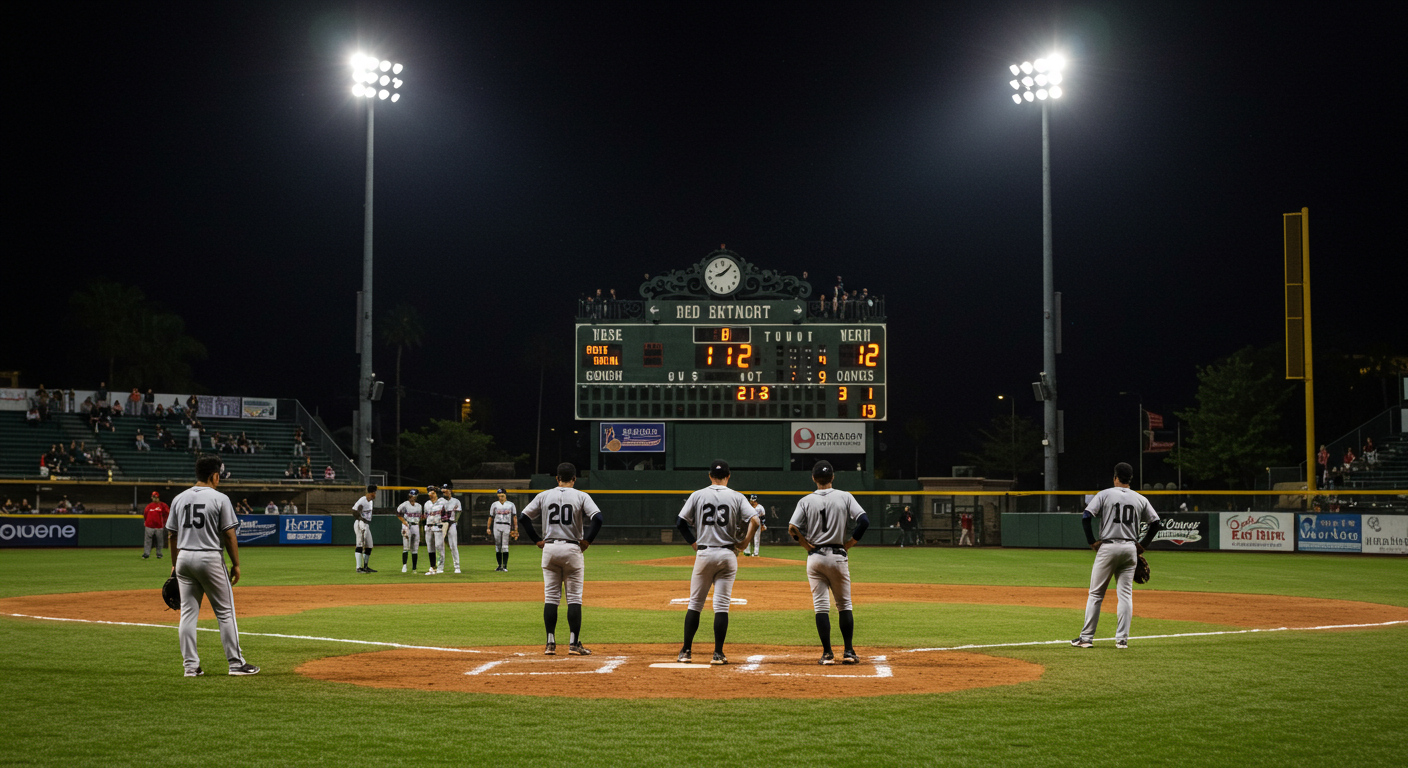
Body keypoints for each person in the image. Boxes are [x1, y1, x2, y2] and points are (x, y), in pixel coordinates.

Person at [164, 454, 259, 677]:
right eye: (219, 476)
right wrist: (236, 564)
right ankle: (236, 664)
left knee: (187, 614)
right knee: (225, 612)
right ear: (213, 476)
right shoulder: (220, 498)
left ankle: (190, 667)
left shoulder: (179, 498)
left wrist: (174, 564)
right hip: (209, 558)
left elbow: (171, 536)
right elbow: (229, 534)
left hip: (184, 558)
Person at [673, 460, 760, 664]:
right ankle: (718, 654)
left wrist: (694, 543)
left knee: (695, 604)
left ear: (710, 475)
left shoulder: (698, 495)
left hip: (705, 553)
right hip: (728, 555)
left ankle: (686, 651)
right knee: (721, 605)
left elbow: (680, 522)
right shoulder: (737, 496)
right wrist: (744, 543)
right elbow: (755, 520)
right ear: (728, 476)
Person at [1071, 462, 1163, 650]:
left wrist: (1091, 541)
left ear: (1115, 477)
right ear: (1130, 479)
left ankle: (1086, 638)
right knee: (1125, 595)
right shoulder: (1140, 499)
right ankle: (1122, 639)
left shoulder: (1105, 494)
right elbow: (1156, 524)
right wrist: (1142, 546)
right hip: (1130, 548)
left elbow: (1086, 516)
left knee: (1096, 594)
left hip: (1108, 546)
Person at [788, 460, 870, 665]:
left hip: (815, 558)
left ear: (814, 478)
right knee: (844, 605)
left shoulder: (806, 501)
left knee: (821, 607)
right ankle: (849, 652)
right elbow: (864, 521)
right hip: (837, 555)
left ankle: (827, 654)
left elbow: (792, 528)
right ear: (832, 477)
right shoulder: (845, 496)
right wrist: (850, 543)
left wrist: (808, 547)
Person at [518, 462, 604, 656]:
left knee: (551, 598)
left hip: (550, 548)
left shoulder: (544, 495)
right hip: (572, 548)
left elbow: (524, 517)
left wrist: (536, 540)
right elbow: (598, 518)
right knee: (574, 598)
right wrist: (587, 541)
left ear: (557, 478)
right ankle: (574, 644)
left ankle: (550, 643)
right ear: (574, 479)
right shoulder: (581, 496)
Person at [488, 488, 519, 571]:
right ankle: (499, 566)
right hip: (496, 525)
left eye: (502, 496)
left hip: (506, 526)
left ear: (505, 495)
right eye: (499, 496)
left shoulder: (511, 504)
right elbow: (490, 517)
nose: (500, 497)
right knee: (498, 546)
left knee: (505, 546)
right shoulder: (494, 504)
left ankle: (504, 566)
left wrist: (516, 529)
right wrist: (488, 528)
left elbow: (514, 517)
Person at [396, 489, 424, 574]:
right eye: (411, 496)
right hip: (407, 525)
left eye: (414, 496)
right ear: (409, 496)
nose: (412, 497)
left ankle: (414, 568)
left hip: (415, 525)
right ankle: (404, 565)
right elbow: (398, 513)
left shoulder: (419, 506)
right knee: (406, 546)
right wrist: (403, 521)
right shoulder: (405, 504)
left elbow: (420, 517)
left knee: (415, 548)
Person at [352, 484, 377, 573]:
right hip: (360, 523)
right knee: (359, 544)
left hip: (366, 524)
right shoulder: (363, 500)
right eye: (375, 493)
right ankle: (358, 568)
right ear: (371, 493)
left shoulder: (370, 501)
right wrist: (360, 521)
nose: (375, 495)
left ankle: (365, 566)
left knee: (369, 546)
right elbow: (354, 511)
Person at [422, 487, 445, 575]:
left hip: (438, 526)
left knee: (439, 547)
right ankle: (432, 567)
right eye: (429, 493)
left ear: (436, 493)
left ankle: (440, 567)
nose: (431, 495)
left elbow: (446, 514)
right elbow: (425, 515)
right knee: (430, 548)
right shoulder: (427, 504)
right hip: (428, 527)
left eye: (432, 493)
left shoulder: (442, 502)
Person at [441, 485, 462, 573]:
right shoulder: (440, 501)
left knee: (453, 545)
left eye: (446, 491)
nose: (445, 492)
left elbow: (458, 512)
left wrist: (453, 522)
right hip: (442, 524)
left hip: (452, 524)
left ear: (450, 491)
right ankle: (440, 567)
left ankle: (457, 567)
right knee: (440, 546)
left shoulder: (456, 501)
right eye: (443, 491)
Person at [142, 491, 169, 559]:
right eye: (153, 497)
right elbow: (145, 514)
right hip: (149, 526)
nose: (154, 498)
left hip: (159, 526)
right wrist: (145, 521)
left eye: (155, 497)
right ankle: (146, 554)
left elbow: (167, 514)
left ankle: (159, 553)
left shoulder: (162, 505)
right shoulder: (149, 506)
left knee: (159, 541)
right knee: (148, 541)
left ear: (158, 497)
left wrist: (165, 522)